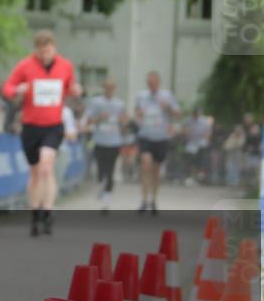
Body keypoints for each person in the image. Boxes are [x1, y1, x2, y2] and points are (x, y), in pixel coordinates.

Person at [2, 30, 81, 236]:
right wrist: (17, 90)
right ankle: (35, 212)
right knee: (35, 172)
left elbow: (71, 87)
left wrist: (76, 90)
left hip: (53, 125)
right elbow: (7, 87)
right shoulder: (25, 65)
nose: (44, 55)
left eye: (47, 51)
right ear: (36, 50)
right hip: (31, 125)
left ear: (54, 47)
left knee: (47, 166)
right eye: (41, 52)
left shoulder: (66, 66)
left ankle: (48, 210)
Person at [134, 71, 180, 214]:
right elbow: (137, 113)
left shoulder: (167, 95)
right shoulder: (141, 96)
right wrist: (138, 116)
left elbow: (178, 114)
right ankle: (143, 200)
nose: (152, 85)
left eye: (154, 83)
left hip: (161, 137)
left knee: (156, 171)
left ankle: (153, 200)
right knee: (145, 164)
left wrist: (167, 107)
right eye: (149, 83)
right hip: (146, 136)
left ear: (158, 82)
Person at [85, 79, 128, 212]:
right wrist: (99, 118)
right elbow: (89, 119)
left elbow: (125, 121)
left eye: (112, 87)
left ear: (114, 88)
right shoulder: (96, 102)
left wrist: (123, 121)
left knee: (110, 169)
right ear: (104, 88)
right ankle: (101, 184)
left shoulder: (120, 103)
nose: (109, 90)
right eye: (107, 87)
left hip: (114, 141)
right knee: (101, 168)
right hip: (99, 141)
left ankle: (107, 196)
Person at [182, 106, 213, 185]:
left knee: (202, 155)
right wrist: (187, 132)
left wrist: (205, 136)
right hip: (191, 143)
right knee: (189, 158)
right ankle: (189, 176)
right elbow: (185, 132)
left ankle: (201, 172)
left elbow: (208, 133)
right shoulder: (188, 120)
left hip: (201, 142)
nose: (196, 115)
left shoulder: (205, 121)